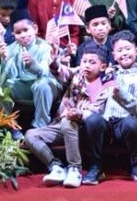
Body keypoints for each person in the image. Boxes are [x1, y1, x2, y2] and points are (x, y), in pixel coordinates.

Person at [26, 41, 111, 190]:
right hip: (62, 123)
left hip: (85, 128)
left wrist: (79, 113)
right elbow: (61, 72)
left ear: (102, 67)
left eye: (92, 62)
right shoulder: (78, 73)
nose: (86, 65)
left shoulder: (106, 83)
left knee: (67, 121)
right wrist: (54, 59)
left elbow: (97, 111)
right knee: (31, 135)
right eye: (84, 61)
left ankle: (75, 169)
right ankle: (56, 167)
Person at [82, 31, 137, 186]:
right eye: (120, 50)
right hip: (106, 123)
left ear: (136, 51)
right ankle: (96, 166)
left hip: (125, 126)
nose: (124, 53)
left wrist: (122, 96)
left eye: (127, 49)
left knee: (131, 123)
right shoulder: (108, 74)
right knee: (92, 120)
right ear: (114, 55)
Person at [3, 10, 62, 130]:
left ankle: (40, 126)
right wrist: (3, 59)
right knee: (4, 87)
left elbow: (46, 72)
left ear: (34, 28)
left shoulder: (44, 46)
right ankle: (9, 126)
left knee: (41, 85)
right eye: (18, 32)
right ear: (13, 34)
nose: (23, 35)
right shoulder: (10, 49)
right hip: (24, 87)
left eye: (26, 30)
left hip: (46, 85)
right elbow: (9, 76)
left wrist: (33, 64)